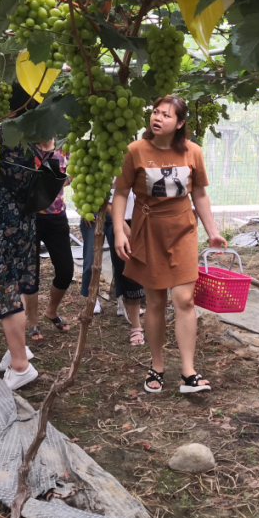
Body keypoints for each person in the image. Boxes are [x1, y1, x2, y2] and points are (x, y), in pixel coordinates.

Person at [112, 96, 226, 394]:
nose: (157, 118)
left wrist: (212, 232)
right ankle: (157, 364)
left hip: (183, 229)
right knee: (156, 301)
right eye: (155, 112)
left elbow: (199, 194)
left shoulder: (193, 152)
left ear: (180, 123)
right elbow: (121, 193)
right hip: (148, 230)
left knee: (184, 299)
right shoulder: (134, 151)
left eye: (166, 114)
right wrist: (119, 231)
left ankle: (188, 371)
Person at [0, 85, 41, 391]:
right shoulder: (32, 135)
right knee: (14, 283)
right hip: (23, 222)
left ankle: (20, 365)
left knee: (5, 292)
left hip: (0, 223)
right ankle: (19, 350)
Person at [22, 138, 74, 342]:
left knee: (66, 271)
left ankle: (51, 312)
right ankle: (33, 322)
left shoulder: (64, 149)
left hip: (57, 218)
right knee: (31, 274)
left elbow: (74, 173)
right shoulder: (27, 150)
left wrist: (59, 183)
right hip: (31, 218)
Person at [81, 186, 146, 345]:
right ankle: (91, 297)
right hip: (95, 210)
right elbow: (79, 180)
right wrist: (84, 207)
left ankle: (122, 299)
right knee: (90, 261)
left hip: (123, 213)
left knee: (122, 261)